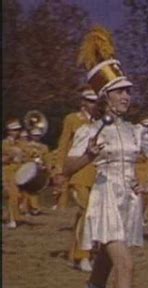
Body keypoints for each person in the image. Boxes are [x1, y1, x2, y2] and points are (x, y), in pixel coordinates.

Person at [67, 26, 148, 288]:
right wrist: (88, 155)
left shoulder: (137, 131)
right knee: (125, 264)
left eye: (128, 91)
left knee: (103, 267)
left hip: (129, 201)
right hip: (105, 199)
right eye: (119, 91)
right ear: (105, 97)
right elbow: (67, 167)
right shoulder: (91, 130)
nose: (126, 96)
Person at [55, 86, 99, 272]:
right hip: (77, 171)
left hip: (95, 172)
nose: (93, 104)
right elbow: (63, 144)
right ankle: (83, 256)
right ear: (83, 102)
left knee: (85, 215)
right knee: (86, 210)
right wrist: (59, 170)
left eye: (96, 101)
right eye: (90, 101)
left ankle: (73, 253)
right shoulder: (72, 119)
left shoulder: (100, 121)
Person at [2, 119, 26, 228]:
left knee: (18, 195)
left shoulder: (20, 143)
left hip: (19, 170)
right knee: (11, 195)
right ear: (9, 131)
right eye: (14, 130)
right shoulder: (4, 143)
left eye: (18, 130)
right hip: (8, 171)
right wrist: (10, 157)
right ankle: (11, 219)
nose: (16, 132)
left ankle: (13, 217)